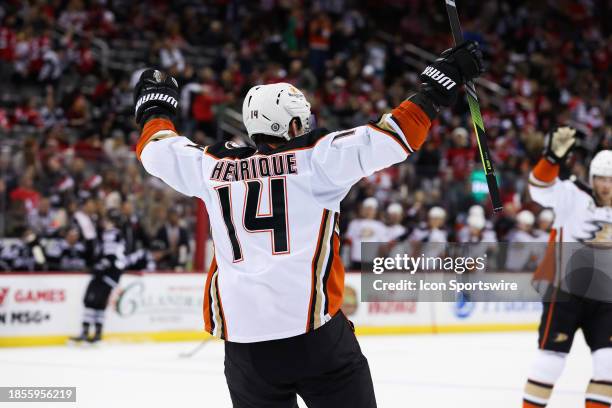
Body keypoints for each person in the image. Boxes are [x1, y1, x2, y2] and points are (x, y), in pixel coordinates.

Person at [133, 40, 484, 407]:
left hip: (245, 349)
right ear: (293, 123)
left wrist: (155, 107)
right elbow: (395, 135)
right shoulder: (317, 160)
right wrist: (437, 85)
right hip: (313, 338)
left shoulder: (212, 167)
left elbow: (156, 149)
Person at [522, 126, 612, 408]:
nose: (605, 186)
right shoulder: (571, 194)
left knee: (608, 364)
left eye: (611, 179)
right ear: (591, 177)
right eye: (600, 179)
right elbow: (538, 189)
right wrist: (551, 159)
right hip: (566, 293)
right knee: (550, 362)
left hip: (606, 299)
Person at [70, 209, 126, 343]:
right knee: (99, 304)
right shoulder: (117, 234)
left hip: (106, 273)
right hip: (112, 274)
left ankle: (86, 333)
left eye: (107, 219)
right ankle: (97, 334)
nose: (104, 222)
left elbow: (110, 256)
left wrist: (99, 266)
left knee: (90, 301)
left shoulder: (111, 233)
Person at [344, 197, 388, 270]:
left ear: (375, 211)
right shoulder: (354, 223)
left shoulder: (381, 226)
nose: (368, 211)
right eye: (366, 208)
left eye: (371, 209)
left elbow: (383, 246)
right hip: (356, 259)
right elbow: (348, 244)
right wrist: (345, 261)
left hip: (372, 260)